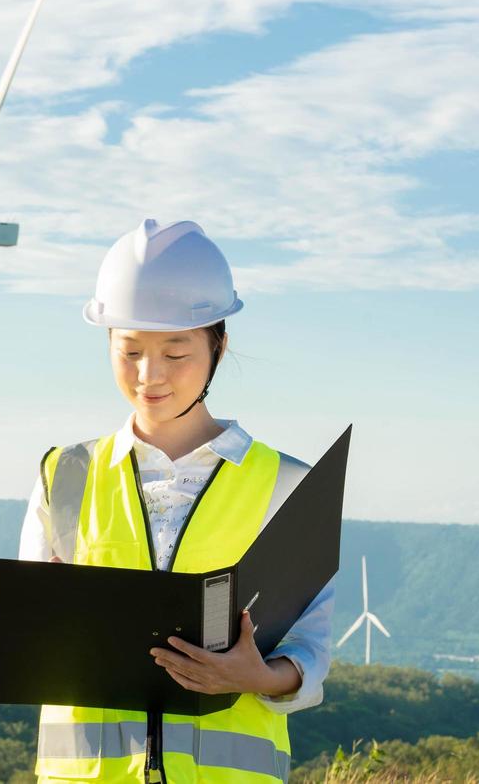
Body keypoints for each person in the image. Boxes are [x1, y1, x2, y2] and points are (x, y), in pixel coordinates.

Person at [17, 219, 335, 783]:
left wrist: (256, 677)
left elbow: (311, 652)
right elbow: (34, 646)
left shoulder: (287, 486)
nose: (149, 375)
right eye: (130, 350)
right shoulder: (64, 475)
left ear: (218, 345)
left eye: (175, 352)